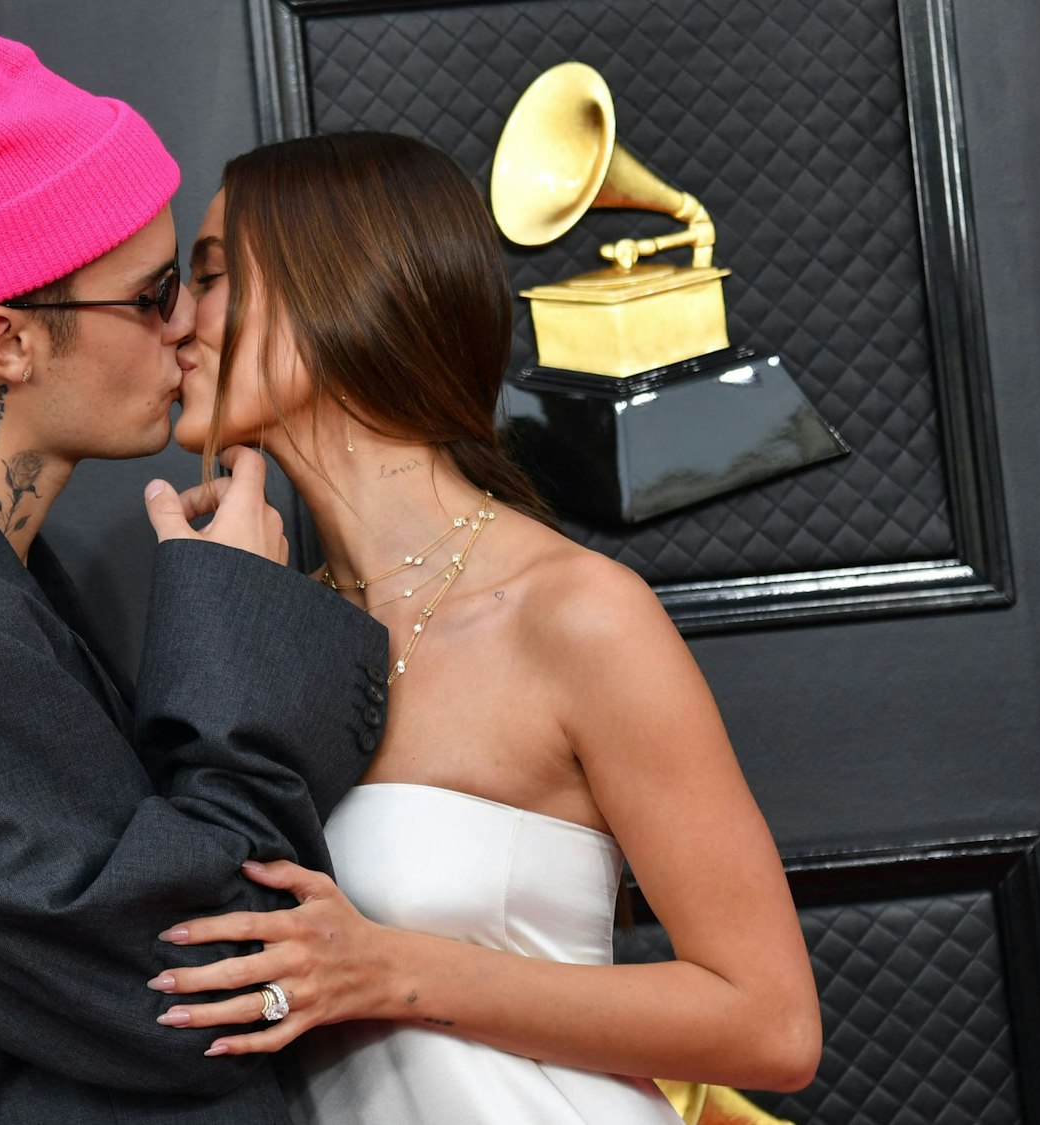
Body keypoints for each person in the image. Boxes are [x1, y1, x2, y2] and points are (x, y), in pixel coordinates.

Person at [0, 20, 388, 1124]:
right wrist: (240, 616)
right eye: (151, 295)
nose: (186, 327)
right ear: (8, 340)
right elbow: (207, 982)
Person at [149, 131, 823, 1123]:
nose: (175, 321)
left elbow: (772, 1025)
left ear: (338, 287)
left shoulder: (576, 614)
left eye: (209, 278)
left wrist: (391, 970)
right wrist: (220, 610)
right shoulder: (278, 626)